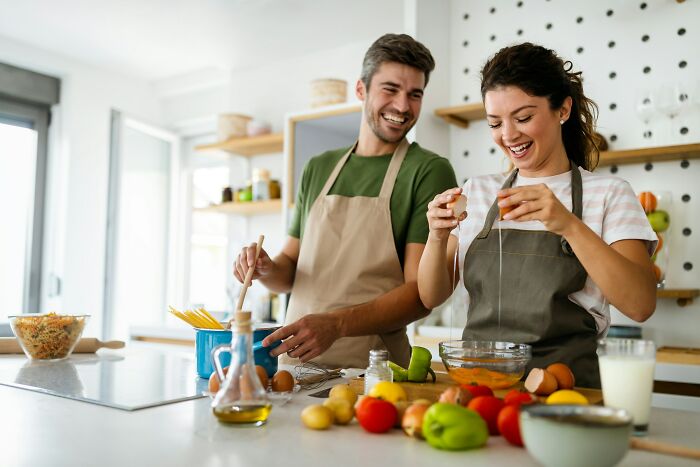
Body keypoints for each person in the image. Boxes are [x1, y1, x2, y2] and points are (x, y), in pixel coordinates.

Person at [417, 43, 657, 388]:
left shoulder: (609, 194)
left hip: (567, 391)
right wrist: (436, 236)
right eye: (495, 123)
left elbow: (640, 305)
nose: (508, 135)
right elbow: (430, 297)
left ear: (563, 109)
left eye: (524, 117)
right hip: (481, 388)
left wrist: (568, 225)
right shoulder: (479, 192)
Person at [234, 34, 457, 369]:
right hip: (293, 366)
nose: (402, 106)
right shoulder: (318, 167)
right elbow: (289, 271)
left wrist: (336, 325)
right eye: (390, 89)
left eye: (415, 94)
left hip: (372, 372)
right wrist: (265, 268)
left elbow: (419, 295)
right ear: (361, 90)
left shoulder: (428, 171)